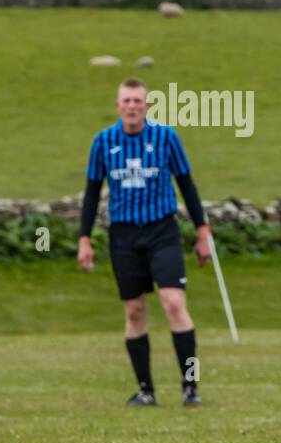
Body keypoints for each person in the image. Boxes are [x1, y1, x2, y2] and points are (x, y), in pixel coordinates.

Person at [78, 78, 212, 407]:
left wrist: (203, 231)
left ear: (147, 106)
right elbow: (93, 193)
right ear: (118, 106)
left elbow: (187, 185)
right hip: (123, 234)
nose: (132, 106)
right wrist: (84, 239)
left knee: (173, 303)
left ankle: (190, 385)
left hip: (162, 230)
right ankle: (146, 390)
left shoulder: (167, 138)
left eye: (138, 100)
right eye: (127, 100)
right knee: (135, 310)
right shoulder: (103, 142)